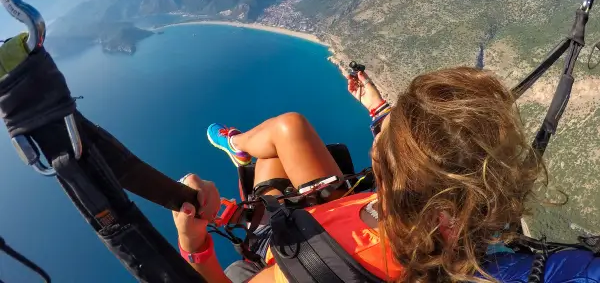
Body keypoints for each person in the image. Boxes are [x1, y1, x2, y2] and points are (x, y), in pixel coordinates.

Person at [170, 67, 560, 282]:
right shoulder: (457, 222)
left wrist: (194, 243)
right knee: (289, 127)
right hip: (343, 222)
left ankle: (242, 173)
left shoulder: (315, 271)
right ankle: (242, 154)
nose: (375, 142)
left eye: (385, 142)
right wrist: (376, 107)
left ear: (395, 172)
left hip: (293, 249)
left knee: (273, 154)